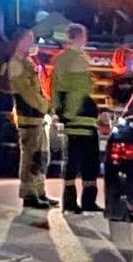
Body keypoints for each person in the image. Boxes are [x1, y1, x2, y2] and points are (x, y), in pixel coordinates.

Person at [52, 24, 103, 213]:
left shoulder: (60, 60)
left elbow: (56, 90)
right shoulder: (78, 59)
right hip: (83, 120)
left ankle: (70, 202)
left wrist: (61, 114)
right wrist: (72, 113)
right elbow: (78, 90)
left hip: (71, 121)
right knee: (90, 163)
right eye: (84, 37)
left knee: (71, 162)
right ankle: (88, 201)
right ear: (79, 37)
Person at [8, 28, 58, 209]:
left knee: (42, 155)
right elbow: (27, 92)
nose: (31, 43)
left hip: (37, 116)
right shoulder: (16, 64)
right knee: (31, 156)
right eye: (28, 39)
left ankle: (40, 191)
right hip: (28, 116)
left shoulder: (28, 61)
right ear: (19, 42)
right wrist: (45, 106)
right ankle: (29, 194)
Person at [110, 45, 133, 111]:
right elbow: (112, 103)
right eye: (126, 59)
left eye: (130, 59)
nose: (129, 62)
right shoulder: (113, 79)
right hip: (121, 111)